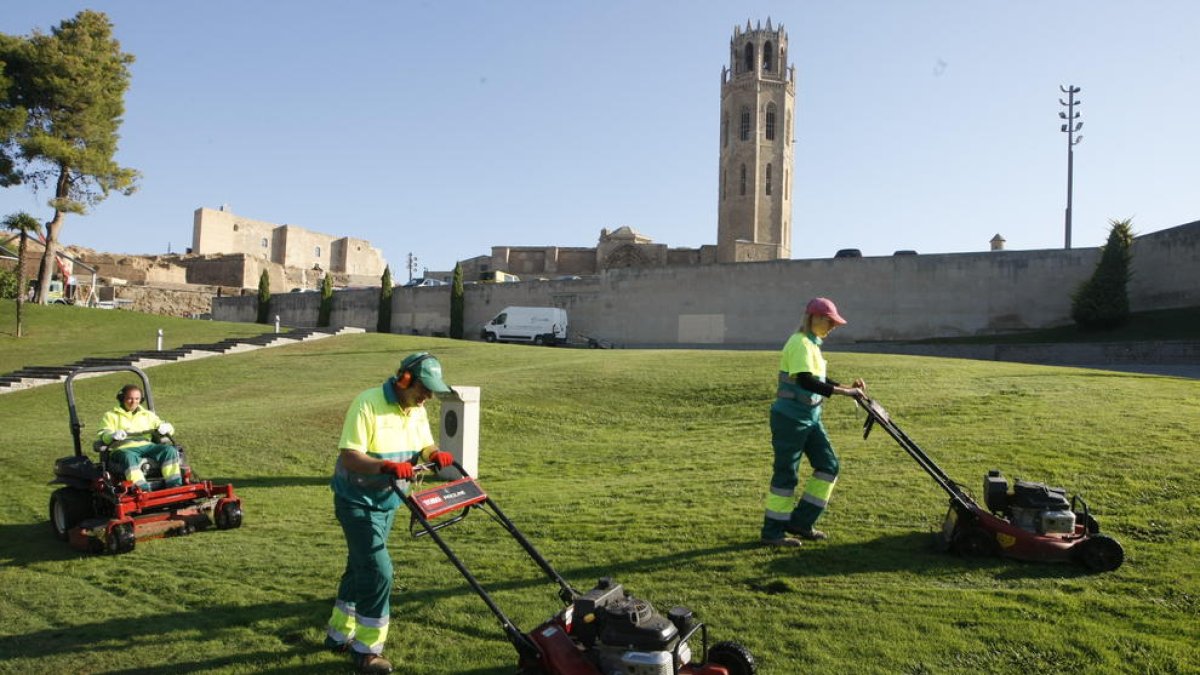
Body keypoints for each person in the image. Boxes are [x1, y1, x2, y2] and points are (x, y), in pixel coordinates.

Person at [325, 352, 455, 674]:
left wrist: (434, 453)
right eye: (424, 388)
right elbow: (351, 455)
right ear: (405, 380)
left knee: (360, 567)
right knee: (379, 570)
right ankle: (368, 650)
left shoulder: (417, 410)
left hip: (388, 502)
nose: (428, 396)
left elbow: (423, 444)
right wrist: (385, 466)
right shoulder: (367, 403)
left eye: (432, 391)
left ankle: (337, 635)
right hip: (356, 500)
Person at [761, 298, 866, 548]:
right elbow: (807, 382)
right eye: (830, 322)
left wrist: (846, 387)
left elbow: (821, 378)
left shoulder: (811, 345)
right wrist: (845, 394)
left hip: (810, 417)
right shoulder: (799, 343)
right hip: (790, 418)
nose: (832, 327)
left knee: (828, 466)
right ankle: (772, 532)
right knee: (786, 474)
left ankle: (801, 522)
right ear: (815, 319)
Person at [97, 384, 183, 491]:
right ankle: (141, 489)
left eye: (137, 399)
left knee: (169, 450)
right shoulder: (110, 415)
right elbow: (104, 434)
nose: (134, 402)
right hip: (123, 448)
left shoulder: (147, 415)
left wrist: (167, 427)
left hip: (147, 446)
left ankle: (175, 486)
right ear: (122, 398)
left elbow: (164, 426)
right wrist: (112, 435)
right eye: (130, 398)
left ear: (141, 399)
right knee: (129, 457)